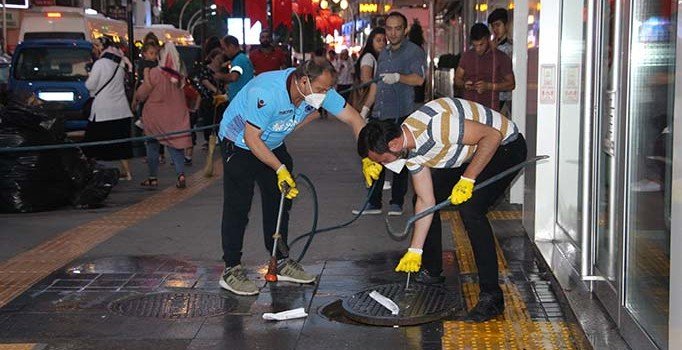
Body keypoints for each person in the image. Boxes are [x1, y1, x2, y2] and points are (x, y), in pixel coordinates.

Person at [357, 96, 527, 322]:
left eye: (381, 161)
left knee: (471, 209)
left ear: (394, 145)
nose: (382, 166)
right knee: (425, 195)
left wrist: (468, 179)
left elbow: (492, 136)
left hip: (503, 146)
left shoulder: (435, 127)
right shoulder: (409, 149)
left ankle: (492, 297)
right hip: (468, 152)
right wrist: (415, 250)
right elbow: (427, 202)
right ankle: (432, 270)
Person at [217, 59, 376, 295]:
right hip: (239, 143)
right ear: (303, 81)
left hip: (271, 143)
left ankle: (280, 260)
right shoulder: (267, 91)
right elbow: (252, 138)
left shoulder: (319, 90)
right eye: (322, 90)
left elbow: (354, 119)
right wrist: (279, 168)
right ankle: (231, 268)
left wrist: (368, 155)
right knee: (238, 205)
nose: (325, 95)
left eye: (327, 89)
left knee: (281, 200)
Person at [353, 11, 426, 217]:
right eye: (389, 28)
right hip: (380, 113)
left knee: (398, 158)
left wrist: (398, 77)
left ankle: (396, 202)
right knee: (374, 156)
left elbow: (419, 79)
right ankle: (374, 202)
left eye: (397, 28)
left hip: (401, 113)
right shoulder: (383, 53)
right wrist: (366, 109)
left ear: (405, 30)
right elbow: (376, 85)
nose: (393, 33)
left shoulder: (414, 52)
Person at [134, 43, 192, 189]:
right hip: (176, 116)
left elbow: (142, 93)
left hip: (155, 116)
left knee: (152, 146)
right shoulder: (179, 75)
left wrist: (135, 99)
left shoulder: (154, 73)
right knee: (175, 146)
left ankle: (153, 177)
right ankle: (180, 174)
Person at [83, 36, 134, 180]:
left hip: (103, 111)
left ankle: (89, 172)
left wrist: (88, 76)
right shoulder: (119, 63)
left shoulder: (100, 64)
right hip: (121, 109)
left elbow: (90, 85)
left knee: (93, 144)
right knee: (121, 144)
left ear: (100, 47)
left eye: (95, 47)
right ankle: (127, 172)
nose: (94, 50)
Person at [455, 23, 515, 112]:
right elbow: (457, 79)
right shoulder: (467, 56)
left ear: (488, 39)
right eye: (475, 45)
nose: (478, 49)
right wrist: (464, 84)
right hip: (469, 110)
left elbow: (511, 84)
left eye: (481, 44)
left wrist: (489, 86)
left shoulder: (500, 57)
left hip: (491, 110)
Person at [350, 27, 386, 119]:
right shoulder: (369, 57)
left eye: (384, 40)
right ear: (371, 41)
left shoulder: (378, 58)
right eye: (378, 40)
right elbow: (366, 79)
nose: (382, 43)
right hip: (367, 103)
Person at [487, 9, 513, 117]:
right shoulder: (490, 47)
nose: (495, 29)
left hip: (508, 97)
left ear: (506, 25)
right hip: (494, 97)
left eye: (498, 25)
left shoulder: (511, 48)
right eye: (493, 26)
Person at [220, 35, 254, 101]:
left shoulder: (238, 60)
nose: (223, 52)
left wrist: (219, 76)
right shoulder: (242, 58)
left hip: (239, 100)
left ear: (231, 46)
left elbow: (234, 77)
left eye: (224, 49)